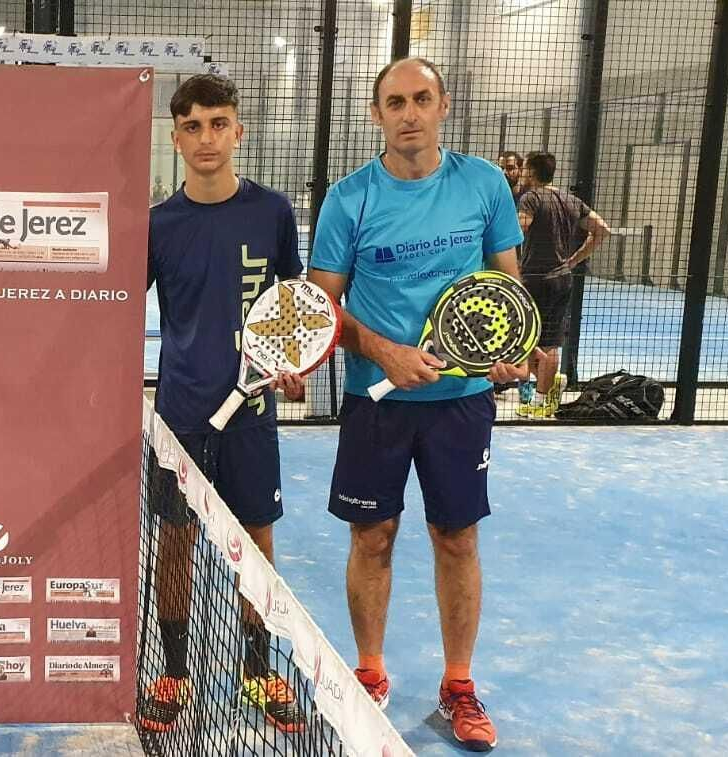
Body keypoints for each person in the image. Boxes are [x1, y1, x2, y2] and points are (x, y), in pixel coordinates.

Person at [306, 57, 532, 753]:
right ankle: (370, 671)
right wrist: (387, 353)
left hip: (461, 402)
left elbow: (506, 290)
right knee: (371, 537)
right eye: (395, 101)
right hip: (376, 403)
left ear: (443, 106)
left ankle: (458, 683)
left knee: (456, 537)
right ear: (377, 114)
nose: (409, 112)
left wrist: (507, 353)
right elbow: (322, 308)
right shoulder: (350, 199)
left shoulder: (485, 184)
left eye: (421, 99)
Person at [137, 73, 307, 736]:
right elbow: (120, 305)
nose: (206, 138)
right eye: (192, 126)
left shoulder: (271, 213)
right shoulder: (158, 224)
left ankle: (257, 669)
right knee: (175, 541)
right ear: (176, 137)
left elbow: (290, 303)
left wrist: (289, 366)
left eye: (218, 123)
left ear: (239, 130)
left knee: (255, 545)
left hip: (253, 417)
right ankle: (175, 669)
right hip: (180, 414)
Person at [514, 151, 611, 418]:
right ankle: (545, 396)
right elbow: (602, 229)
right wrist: (575, 259)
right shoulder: (571, 201)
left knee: (527, 339)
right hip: (562, 279)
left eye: (525, 170)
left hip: (534, 280)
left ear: (531, 172)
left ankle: (541, 395)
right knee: (551, 342)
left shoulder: (531, 199)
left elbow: (518, 229)